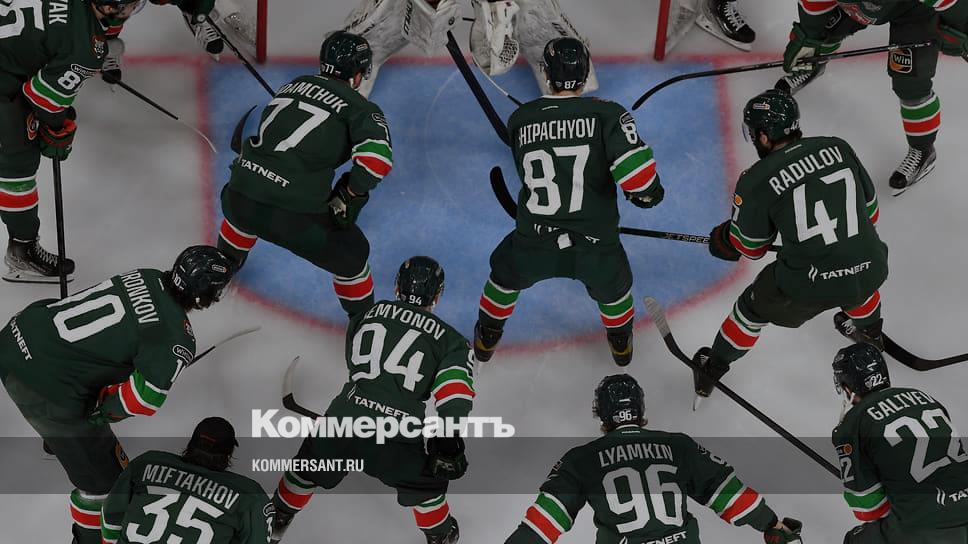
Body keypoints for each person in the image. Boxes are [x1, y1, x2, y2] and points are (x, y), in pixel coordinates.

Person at [0, 245, 234, 543]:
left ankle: (57, 437)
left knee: (104, 360)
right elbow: (142, 398)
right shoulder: (177, 338)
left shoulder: (146, 275)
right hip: (42, 388)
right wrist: (101, 413)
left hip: (15, 336)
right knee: (108, 486)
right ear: (204, 295)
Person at [472, 37, 664, 367]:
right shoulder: (608, 114)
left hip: (534, 242)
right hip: (596, 246)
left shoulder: (521, 119)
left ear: (546, 73)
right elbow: (641, 183)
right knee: (616, 287)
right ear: (586, 72)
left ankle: (487, 335)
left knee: (503, 275)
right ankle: (620, 343)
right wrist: (650, 195)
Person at [695, 89, 888, 406]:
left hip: (808, 283)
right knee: (858, 268)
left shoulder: (755, 180)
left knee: (751, 308)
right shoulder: (837, 147)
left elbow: (751, 248)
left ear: (764, 136)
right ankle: (871, 333)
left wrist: (726, 240)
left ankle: (712, 368)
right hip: (871, 265)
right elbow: (871, 213)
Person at [269, 256, 474, 544]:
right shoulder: (451, 341)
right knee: (426, 486)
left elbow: (354, 360)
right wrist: (449, 436)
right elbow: (454, 393)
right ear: (438, 295)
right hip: (396, 438)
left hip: (343, 421)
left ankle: (276, 520)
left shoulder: (368, 313)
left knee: (306, 468)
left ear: (397, 287)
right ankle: (440, 535)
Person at [504, 374, 803, 544]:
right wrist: (771, 524)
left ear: (602, 414)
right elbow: (727, 493)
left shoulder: (581, 460)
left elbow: (543, 523)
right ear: (640, 410)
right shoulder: (678, 446)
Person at [217, 30, 389, 319]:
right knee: (354, 254)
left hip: (236, 197)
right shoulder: (362, 108)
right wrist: (353, 191)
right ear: (358, 75)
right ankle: (364, 325)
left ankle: (219, 272)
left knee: (248, 199)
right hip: (293, 217)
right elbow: (375, 162)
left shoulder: (293, 84)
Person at [776, 0, 968, 194]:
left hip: (912, 13)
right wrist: (809, 39)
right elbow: (814, 9)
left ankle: (923, 150)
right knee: (823, 30)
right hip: (860, 9)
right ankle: (813, 64)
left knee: (910, 85)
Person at [831, 343, 968, 543]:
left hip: (926, 527)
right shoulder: (926, 398)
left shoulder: (851, 424)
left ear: (846, 386)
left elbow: (868, 509)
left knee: (855, 540)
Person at [100, 417, 274, 544]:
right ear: (228, 455)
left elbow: (111, 515)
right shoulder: (250, 495)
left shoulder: (147, 462)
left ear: (191, 444)